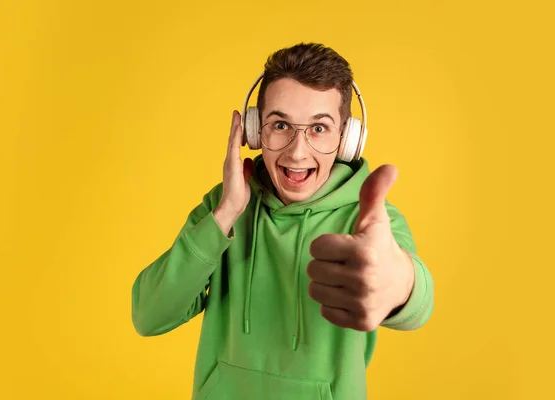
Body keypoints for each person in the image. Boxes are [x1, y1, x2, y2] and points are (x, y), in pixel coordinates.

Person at [131, 42, 434, 400]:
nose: (297, 151)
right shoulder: (223, 208)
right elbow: (149, 315)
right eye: (280, 125)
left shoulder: (370, 219)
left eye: (319, 129)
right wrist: (226, 213)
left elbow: (417, 301)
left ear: (347, 139)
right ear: (256, 132)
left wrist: (398, 283)